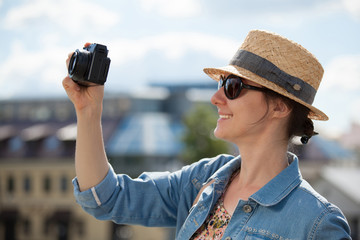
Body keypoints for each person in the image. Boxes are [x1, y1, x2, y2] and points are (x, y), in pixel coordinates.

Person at [62, 30, 352, 239]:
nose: (215, 97)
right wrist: (89, 111)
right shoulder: (201, 180)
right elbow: (107, 198)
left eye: (233, 86)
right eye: (221, 83)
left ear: (280, 106)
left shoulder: (318, 222)